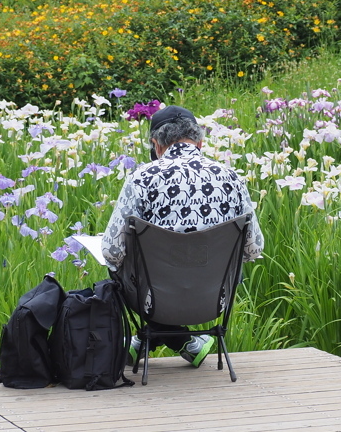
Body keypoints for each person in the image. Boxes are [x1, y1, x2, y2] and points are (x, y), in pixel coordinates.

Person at [101, 105, 265, 367]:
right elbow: (254, 248)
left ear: (156, 144)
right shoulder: (232, 178)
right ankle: (184, 341)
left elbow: (111, 251)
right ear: (200, 141)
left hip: (153, 299)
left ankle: (153, 338)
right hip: (214, 297)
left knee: (116, 269)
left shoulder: (141, 178)